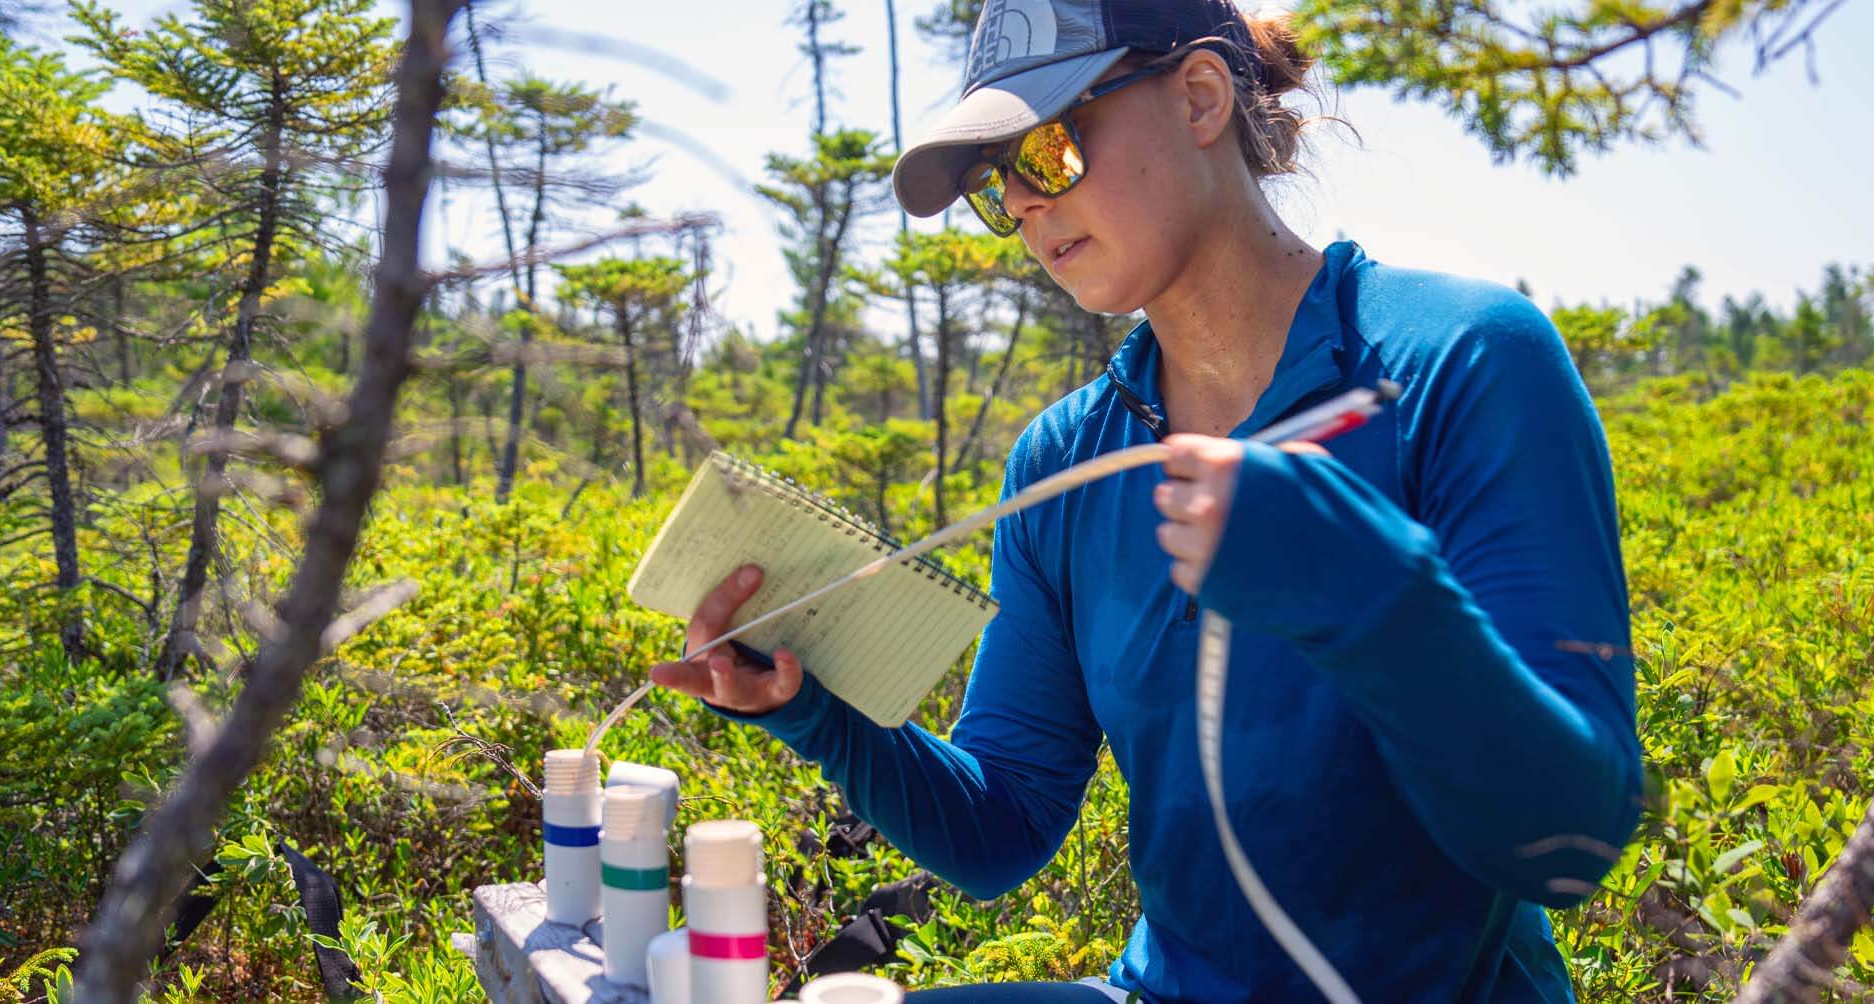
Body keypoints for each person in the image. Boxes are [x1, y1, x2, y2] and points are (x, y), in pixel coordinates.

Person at [647, 0, 1642, 999]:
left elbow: (1569, 842)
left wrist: (1373, 595)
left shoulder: (1458, 362)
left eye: (1045, 149)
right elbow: (1002, 826)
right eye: (998, 184)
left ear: (1201, 97)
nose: (1024, 206)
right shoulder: (1065, 462)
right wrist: (810, 708)